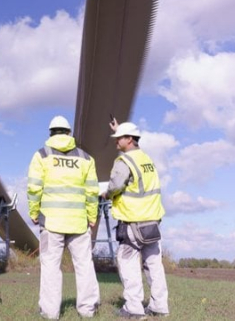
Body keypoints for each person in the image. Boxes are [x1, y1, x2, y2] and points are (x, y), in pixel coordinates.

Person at [27, 115, 101, 319]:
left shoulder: (41, 156)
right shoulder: (86, 158)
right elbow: (92, 191)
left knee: (50, 266)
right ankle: (87, 309)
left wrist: (34, 212)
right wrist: (92, 216)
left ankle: (50, 312)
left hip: (51, 222)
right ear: (69, 133)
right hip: (79, 222)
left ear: (50, 133)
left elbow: (34, 188)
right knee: (84, 265)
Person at [102, 120, 169, 319]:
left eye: (118, 139)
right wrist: (118, 130)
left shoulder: (124, 162)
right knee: (154, 265)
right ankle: (159, 306)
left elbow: (115, 186)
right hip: (152, 222)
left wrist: (106, 194)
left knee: (128, 263)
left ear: (129, 140)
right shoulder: (146, 160)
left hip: (132, 222)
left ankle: (134, 309)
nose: (115, 142)